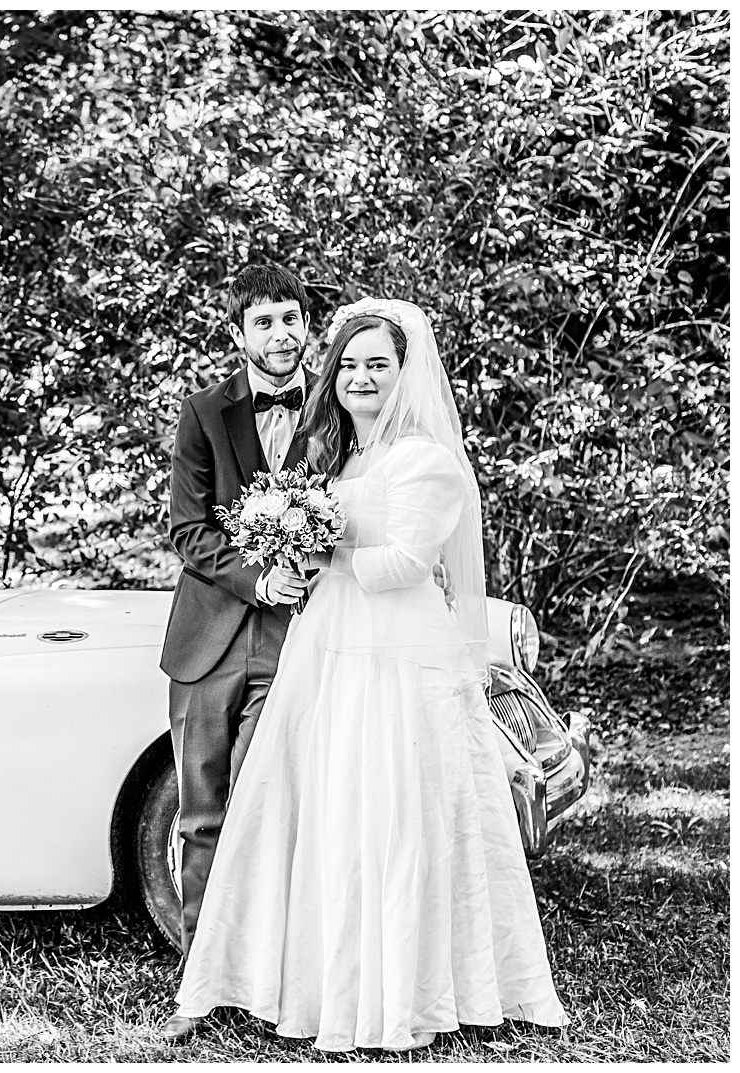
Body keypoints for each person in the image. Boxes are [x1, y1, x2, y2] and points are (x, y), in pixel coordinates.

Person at [167, 298, 569, 1052]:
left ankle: (403, 988)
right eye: (349, 363)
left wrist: (322, 555)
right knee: (330, 811)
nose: (359, 376)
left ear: (404, 372)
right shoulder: (344, 455)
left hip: (396, 656)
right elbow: (196, 524)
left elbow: (408, 564)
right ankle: (315, 977)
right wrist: (290, 550)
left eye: (376, 364)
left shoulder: (427, 458)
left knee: (397, 814)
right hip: (329, 647)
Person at [159, 263, 315, 971]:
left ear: (308, 326)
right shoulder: (202, 412)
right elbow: (190, 531)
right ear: (237, 332)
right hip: (207, 642)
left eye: (291, 318)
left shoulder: (334, 410)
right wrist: (261, 578)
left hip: (298, 643)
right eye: (265, 321)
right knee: (201, 815)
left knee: (270, 811)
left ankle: (268, 972)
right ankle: (201, 975)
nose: (281, 333)